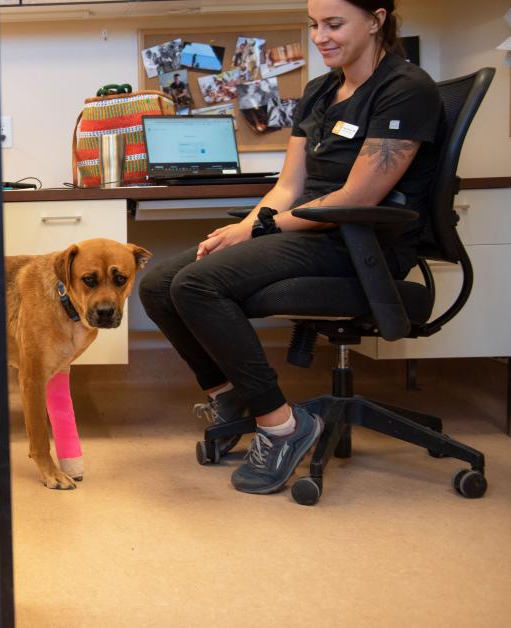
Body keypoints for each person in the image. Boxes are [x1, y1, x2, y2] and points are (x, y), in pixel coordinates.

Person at [139, 0, 443, 495]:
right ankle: (232, 397)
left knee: (197, 285)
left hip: (361, 242)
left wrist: (259, 231)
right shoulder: (321, 90)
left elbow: (358, 197)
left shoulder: (405, 90)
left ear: (377, 18)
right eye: (314, 25)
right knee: (158, 283)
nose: (321, 36)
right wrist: (250, 224)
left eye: (335, 24)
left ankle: (282, 425)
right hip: (313, 230)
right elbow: (288, 186)